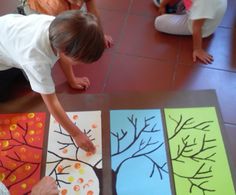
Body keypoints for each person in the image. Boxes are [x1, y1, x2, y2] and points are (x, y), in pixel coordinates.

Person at [0, 10, 106, 153]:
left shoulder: (61, 27)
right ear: (64, 51)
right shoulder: (37, 61)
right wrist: (76, 134)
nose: (80, 64)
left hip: (9, 31)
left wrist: (72, 79)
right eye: (78, 61)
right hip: (5, 54)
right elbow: (52, 102)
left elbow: (63, 56)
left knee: (28, 76)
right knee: (4, 96)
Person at [153, 0, 227, 64]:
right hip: (199, 11)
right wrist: (163, 5)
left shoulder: (205, 3)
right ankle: (175, 8)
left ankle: (175, 10)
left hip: (199, 25)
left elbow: (197, 27)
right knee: (161, 3)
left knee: (158, 22)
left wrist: (198, 49)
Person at [20, 0, 113, 48]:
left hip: (64, 7)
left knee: (85, 23)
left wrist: (101, 34)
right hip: (37, 9)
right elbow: (61, 48)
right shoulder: (55, 6)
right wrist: (72, 80)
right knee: (48, 43)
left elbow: (92, 10)